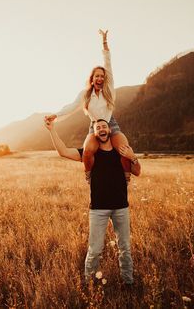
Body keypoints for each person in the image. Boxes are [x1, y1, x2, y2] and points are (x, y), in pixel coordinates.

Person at [44, 118, 141, 284]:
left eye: (104, 126)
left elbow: (137, 171)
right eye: (98, 128)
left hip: (121, 208)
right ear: (94, 133)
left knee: (125, 248)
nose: (102, 129)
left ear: (110, 130)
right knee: (95, 250)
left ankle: (128, 282)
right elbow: (63, 151)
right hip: (98, 209)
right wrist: (52, 130)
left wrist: (133, 158)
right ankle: (89, 284)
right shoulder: (89, 154)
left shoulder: (122, 153)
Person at [44, 30, 129, 182]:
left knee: (124, 149)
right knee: (88, 151)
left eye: (102, 76)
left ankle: (126, 175)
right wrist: (56, 115)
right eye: (97, 76)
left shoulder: (109, 91)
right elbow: (71, 106)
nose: (100, 78)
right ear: (92, 79)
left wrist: (104, 43)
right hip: (94, 126)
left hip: (111, 124)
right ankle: (89, 174)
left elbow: (108, 64)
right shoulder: (85, 94)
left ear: (105, 79)